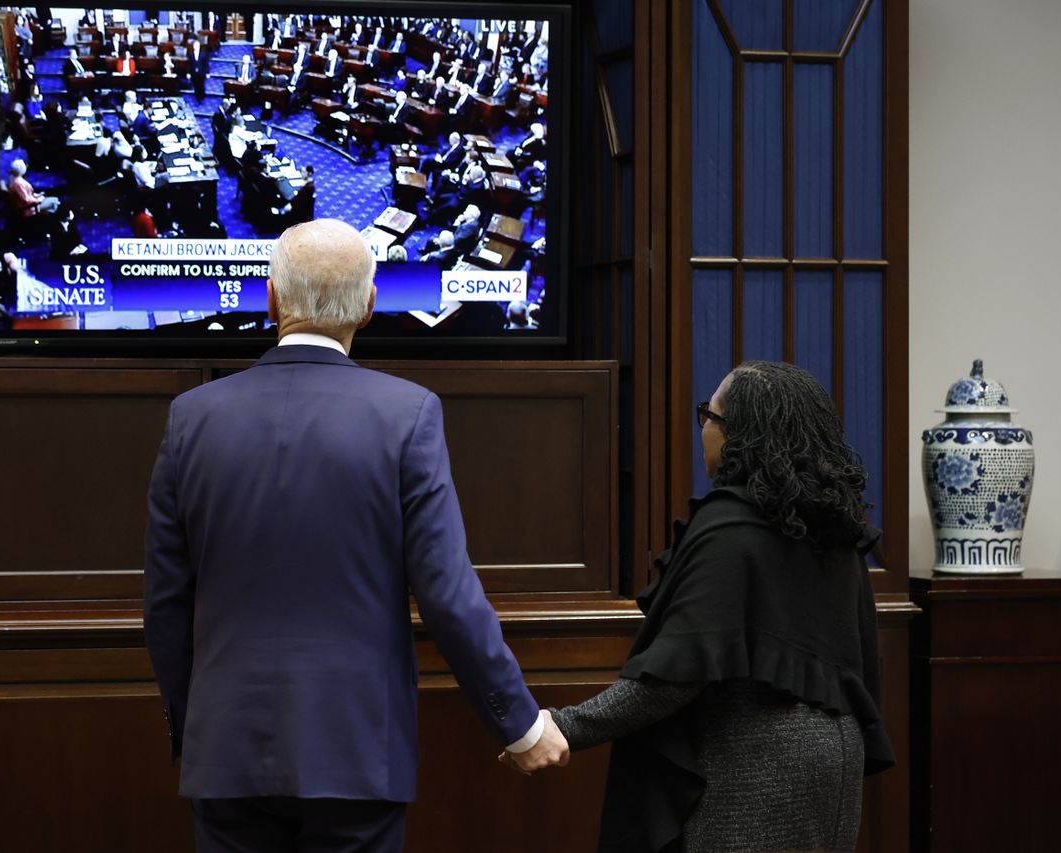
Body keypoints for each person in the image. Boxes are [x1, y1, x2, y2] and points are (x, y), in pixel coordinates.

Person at [143, 218, 570, 852]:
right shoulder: (408, 415)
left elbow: (166, 605)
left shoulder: (192, 418)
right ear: (370, 307)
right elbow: (447, 594)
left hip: (225, 755)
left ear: (271, 299)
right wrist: (520, 724)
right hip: (356, 754)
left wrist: (200, 726)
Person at [540, 361, 895, 853]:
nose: (702, 428)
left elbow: (672, 678)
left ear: (738, 435)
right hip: (833, 770)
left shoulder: (729, 529)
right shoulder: (836, 529)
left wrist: (561, 726)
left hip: (757, 773)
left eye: (708, 414)